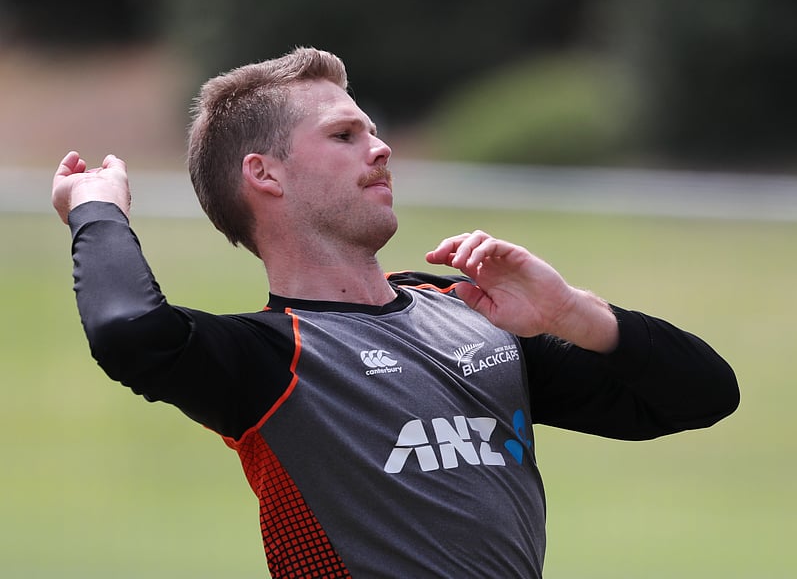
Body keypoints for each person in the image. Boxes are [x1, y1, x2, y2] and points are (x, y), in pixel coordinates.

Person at [52, 46, 739, 578]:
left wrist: (571, 312)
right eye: (345, 135)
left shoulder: (470, 317)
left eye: (373, 131)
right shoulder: (269, 361)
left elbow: (701, 396)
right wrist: (96, 207)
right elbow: (130, 332)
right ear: (266, 174)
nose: (381, 148)